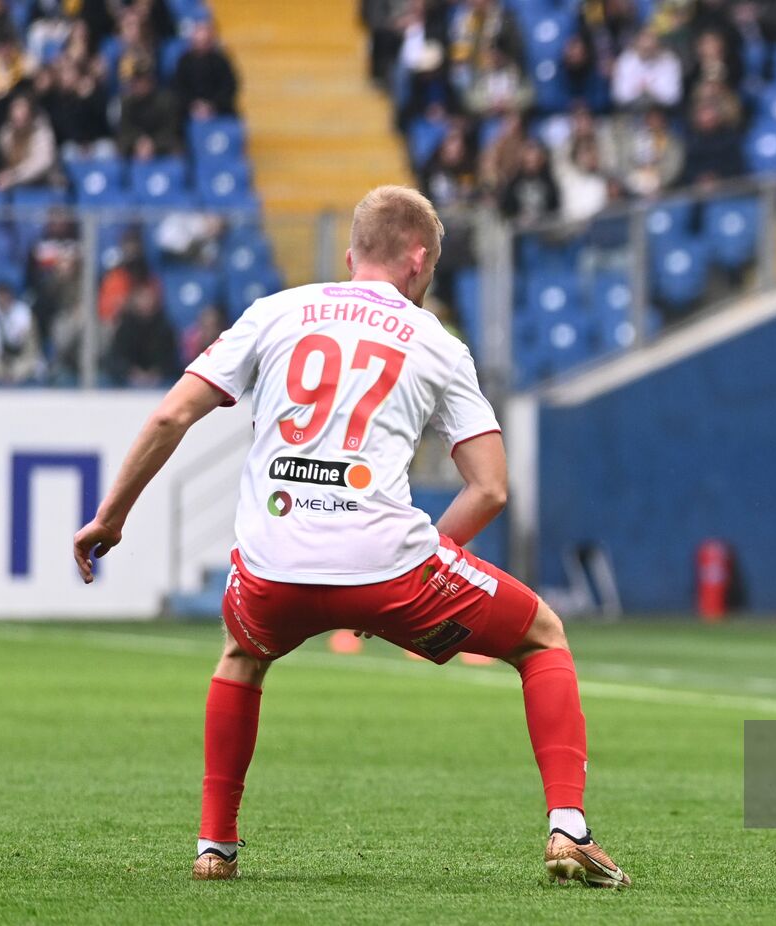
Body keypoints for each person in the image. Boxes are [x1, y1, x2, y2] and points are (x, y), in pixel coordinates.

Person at [72, 186, 630, 888]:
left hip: (272, 571)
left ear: (350, 256)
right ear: (419, 262)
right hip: (387, 568)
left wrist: (112, 516)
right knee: (541, 636)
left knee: (241, 657)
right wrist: (426, 565)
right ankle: (567, 828)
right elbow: (489, 486)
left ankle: (215, 846)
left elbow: (169, 418)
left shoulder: (273, 313)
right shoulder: (437, 342)